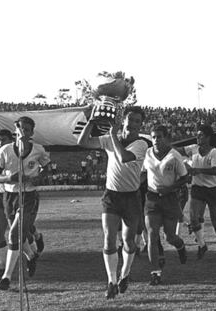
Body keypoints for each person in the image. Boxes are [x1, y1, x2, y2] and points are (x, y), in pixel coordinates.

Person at [77, 105, 148, 299]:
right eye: (130, 119)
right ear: (123, 120)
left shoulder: (141, 144)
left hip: (132, 197)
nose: (133, 124)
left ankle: (125, 274)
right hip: (112, 196)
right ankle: (111, 281)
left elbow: (124, 158)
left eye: (137, 121)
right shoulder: (111, 139)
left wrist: (113, 135)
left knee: (128, 240)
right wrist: (91, 122)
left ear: (141, 125)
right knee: (109, 237)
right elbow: (83, 142)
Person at [0, 111, 44, 282]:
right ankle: (3, 267)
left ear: (10, 138)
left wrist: (36, 177)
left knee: (20, 231)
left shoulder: (27, 150)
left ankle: (34, 239)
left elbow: (42, 168)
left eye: (2, 140)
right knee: (0, 232)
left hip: (25, 194)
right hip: (4, 196)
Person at [0, 116, 50, 290]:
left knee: (13, 235)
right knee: (19, 235)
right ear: (15, 130)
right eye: (21, 129)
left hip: (29, 196)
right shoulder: (5, 150)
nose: (23, 132)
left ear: (32, 132)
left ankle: (6, 278)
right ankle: (32, 256)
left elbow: (46, 168)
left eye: (27, 129)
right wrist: (8, 178)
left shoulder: (38, 150)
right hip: (9, 197)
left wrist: (37, 178)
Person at [142, 125, 189, 285]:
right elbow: (142, 174)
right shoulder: (147, 154)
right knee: (152, 235)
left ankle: (180, 246)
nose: (156, 140)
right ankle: (155, 273)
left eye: (159, 137)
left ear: (166, 137)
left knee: (170, 237)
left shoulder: (174, 155)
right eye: (153, 137)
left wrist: (170, 187)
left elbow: (184, 178)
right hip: (152, 198)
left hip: (169, 198)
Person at [176, 124, 216, 259]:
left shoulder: (214, 151)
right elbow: (178, 150)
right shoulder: (193, 149)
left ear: (208, 137)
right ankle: (202, 244)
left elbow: (215, 170)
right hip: (197, 188)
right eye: (197, 135)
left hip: (211, 190)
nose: (198, 137)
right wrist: (167, 147)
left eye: (201, 135)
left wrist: (197, 170)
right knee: (193, 219)